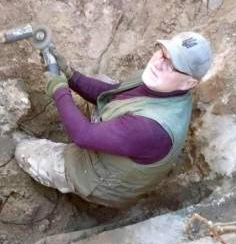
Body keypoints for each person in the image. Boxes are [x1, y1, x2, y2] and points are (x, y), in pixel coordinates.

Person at [15, 31, 213, 208]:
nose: (159, 63)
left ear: (189, 82)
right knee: (106, 82)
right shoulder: (158, 83)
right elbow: (111, 93)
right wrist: (69, 75)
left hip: (99, 180)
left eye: (172, 65)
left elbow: (82, 136)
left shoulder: (150, 128)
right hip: (125, 141)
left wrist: (59, 89)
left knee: (23, 151)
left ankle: (77, 187)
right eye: (163, 53)